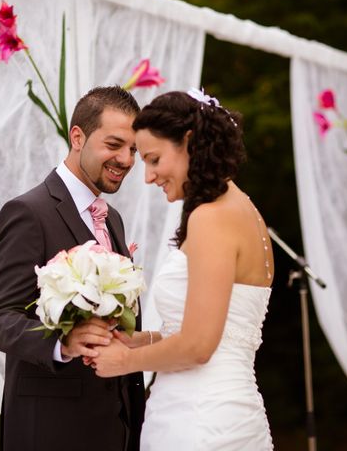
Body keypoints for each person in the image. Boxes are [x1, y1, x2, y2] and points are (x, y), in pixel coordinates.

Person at [89, 89, 275, 450]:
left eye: (154, 159)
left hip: (199, 421)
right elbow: (215, 331)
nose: (148, 176)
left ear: (188, 142)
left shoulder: (211, 217)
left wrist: (125, 360)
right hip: (229, 412)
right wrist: (146, 339)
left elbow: (197, 347)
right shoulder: (243, 209)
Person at [0, 86, 145, 451]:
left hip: (114, 425)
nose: (126, 159)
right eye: (115, 144)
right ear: (77, 137)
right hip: (53, 429)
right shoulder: (28, 212)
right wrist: (62, 341)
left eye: (133, 149)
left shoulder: (113, 220)